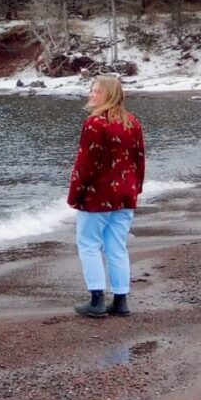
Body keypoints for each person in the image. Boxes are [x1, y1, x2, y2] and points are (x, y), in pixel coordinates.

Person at [65, 73, 146, 318]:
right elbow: (139, 160)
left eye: (97, 90)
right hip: (124, 194)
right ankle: (121, 300)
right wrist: (136, 188)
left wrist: (75, 194)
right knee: (117, 246)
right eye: (91, 89)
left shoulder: (95, 123)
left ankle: (97, 299)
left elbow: (85, 163)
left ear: (109, 95)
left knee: (89, 244)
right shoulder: (132, 122)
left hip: (98, 195)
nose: (91, 94)